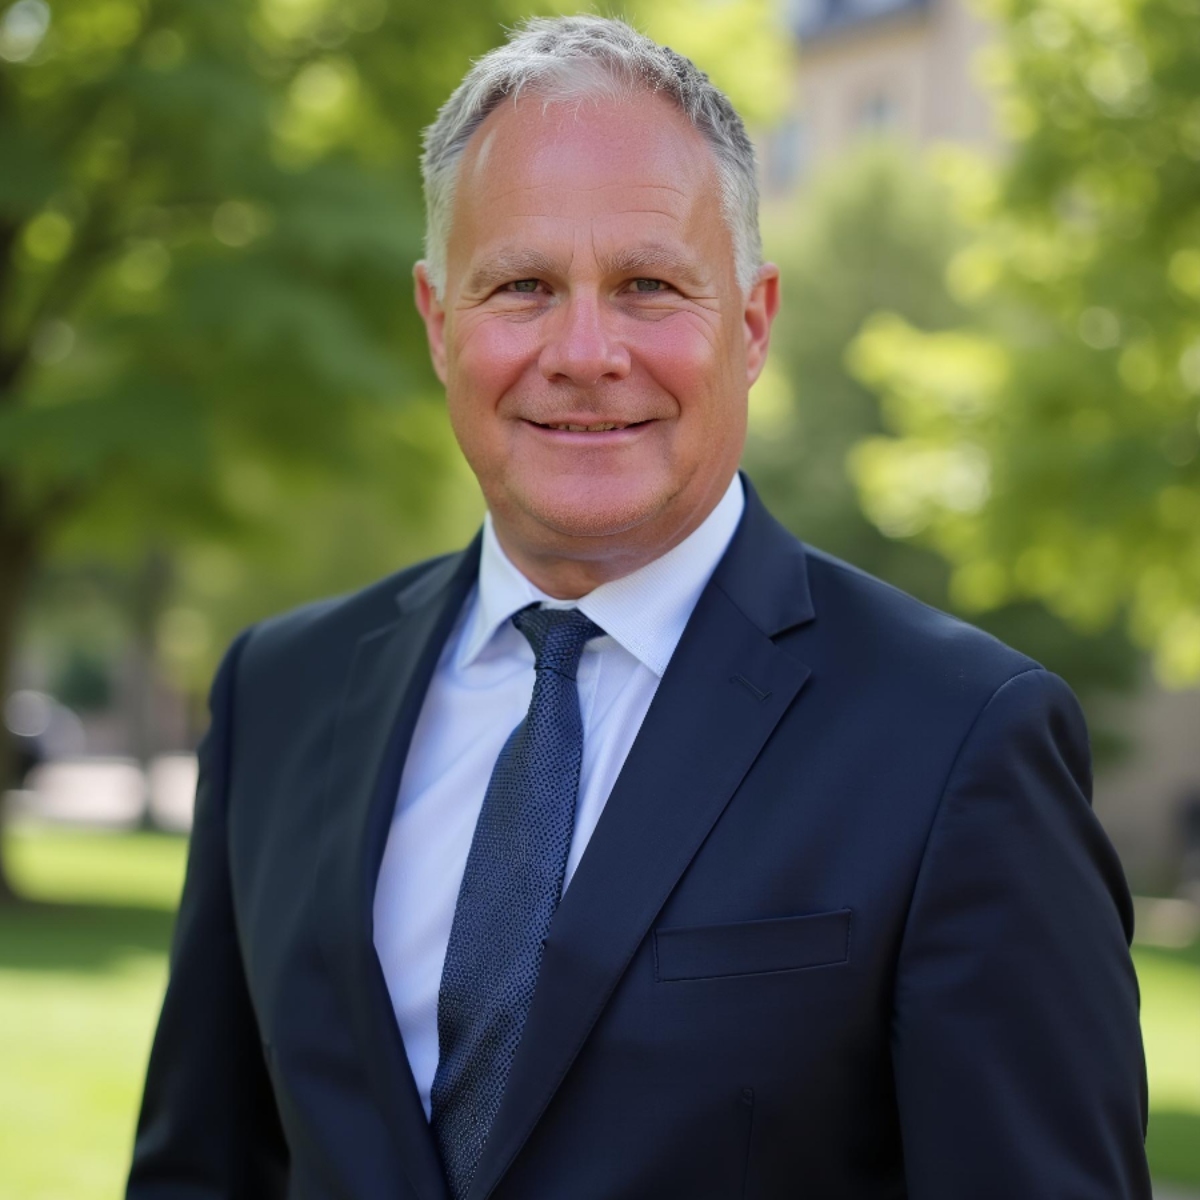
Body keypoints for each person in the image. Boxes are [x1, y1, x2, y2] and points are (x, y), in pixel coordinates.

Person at [126, 16, 1151, 1200]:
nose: (585, 351)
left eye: (649, 286)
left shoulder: (961, 739)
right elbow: (201, 1171)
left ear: (752, 324)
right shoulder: (280, 694)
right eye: (522, 286)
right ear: (438, 322)